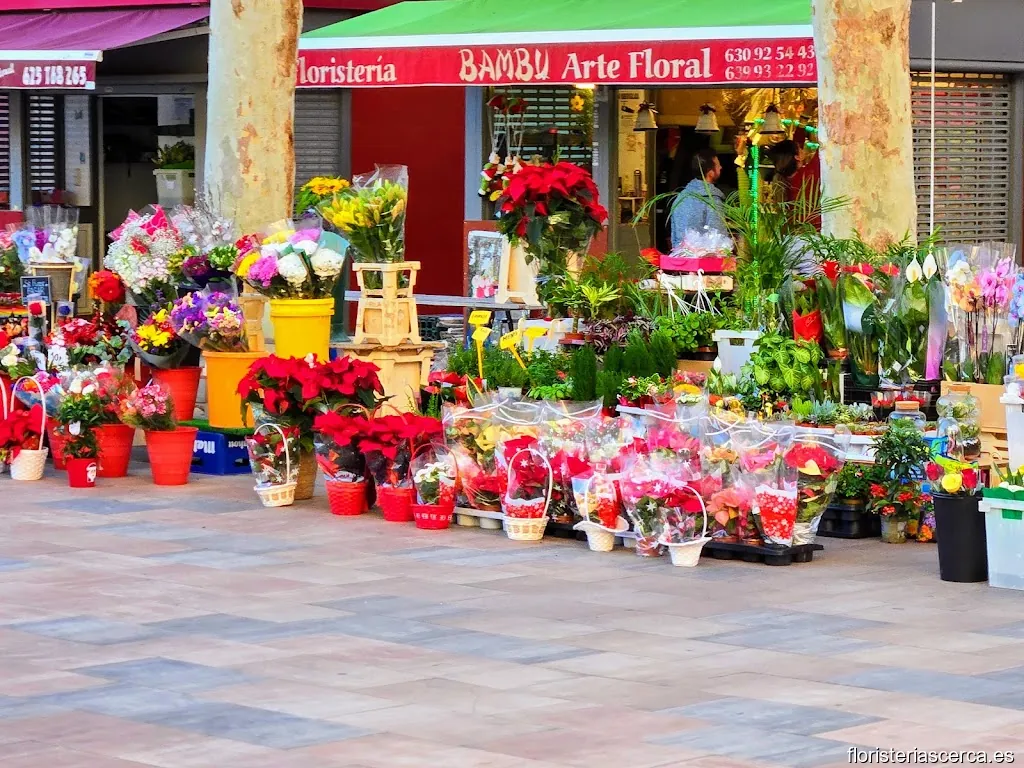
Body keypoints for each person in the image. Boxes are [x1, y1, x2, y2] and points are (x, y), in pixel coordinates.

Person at [669, 147, 727, 249]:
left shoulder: (681, 197)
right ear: (710, 172)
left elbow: (675, 236)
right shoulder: (711, 200)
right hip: (704, 261)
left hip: (680, 260)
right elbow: (719, 239)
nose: (721, 167)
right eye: (718, 166)